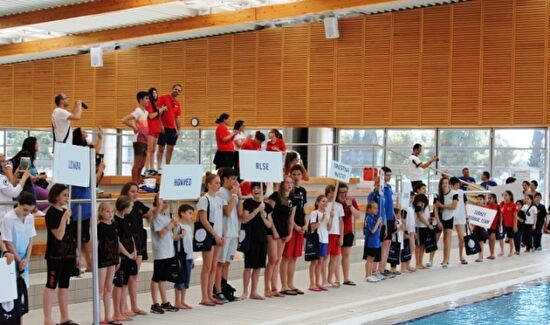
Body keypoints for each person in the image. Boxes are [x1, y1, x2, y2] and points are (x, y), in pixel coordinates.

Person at [120, 182, 157, 316]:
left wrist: (159, 204)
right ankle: (122, 306)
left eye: (137, 191)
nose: (135, 194)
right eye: (132, 191)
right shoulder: (123, 207)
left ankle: (134, 305)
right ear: (126, 193)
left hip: (139, 243)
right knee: (125, 277)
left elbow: (150, 215)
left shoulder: (139, 205)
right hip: (128, 245)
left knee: (134, 276)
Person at [43, 184, 78, 325]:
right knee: (51, 285)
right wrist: (64, 218)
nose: (67, 198)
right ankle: (48, 319)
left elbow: (71, 237)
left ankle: (65, 317)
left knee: (64, 286)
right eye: (64, 195)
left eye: (67, 195)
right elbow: (58, 235)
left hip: (68, 255)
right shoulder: (51, 213)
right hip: (55, 255)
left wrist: (75, 254)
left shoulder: (66, 212)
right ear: (56, 196)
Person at [72, 128, 106, 272]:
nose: (86, 132)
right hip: (79, 204)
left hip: (84, 205)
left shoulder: (86, 150)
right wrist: (98, 171)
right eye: (83, 131)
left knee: (83, 238)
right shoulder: (77, 154)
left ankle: (88, 264)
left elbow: (95, 150)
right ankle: (83, 264)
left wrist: (100, 138)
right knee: (79, 238)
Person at [197, 174, 226, 306]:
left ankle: (210, 294)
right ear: (208, 184)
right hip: (210, 235)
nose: (218, 185)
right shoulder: (204, 199)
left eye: (219, 183)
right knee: (207, 266)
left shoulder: (219, 200)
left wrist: (222, 234)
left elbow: (221, 219)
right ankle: (204, 296)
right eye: (216, 183)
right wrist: (215, 234)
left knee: (214, 266)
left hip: (218, 235)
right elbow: (203, 220)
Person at [265, 176, 295, 297]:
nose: (289, 184)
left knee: (277, 260)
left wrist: (290, 232)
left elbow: (290, 218)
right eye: (287, 182)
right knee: (273, 260)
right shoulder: (275, 196)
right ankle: (267, 288)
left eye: (291, 183)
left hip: (283, 231)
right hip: (273, 231)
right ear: (282, 184)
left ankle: (274, 287)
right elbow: (268, 214)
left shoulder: (291, 199)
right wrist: (274, 230)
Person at [215, 168, 241, 302]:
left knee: (227, 263)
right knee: (220, 263)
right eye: (232, 179)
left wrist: (239, 196)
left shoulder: (233, 193)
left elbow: (240, 213)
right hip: (224, 232)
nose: (235, 182)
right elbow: (227, 212)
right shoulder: (221, 193)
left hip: (233, 231)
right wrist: (233, 195)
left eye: (236, 179)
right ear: (225, 179)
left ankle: (225, 289)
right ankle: (217, 290)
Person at [240, 183, 270, 300]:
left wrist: (263, 217)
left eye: (258, 188)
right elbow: (245, 219)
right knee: (248, 266)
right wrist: (258, 210)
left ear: (263, 191)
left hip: (262, 238)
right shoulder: (248, 203)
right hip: (251, 238)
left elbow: (269, 225)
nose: (256, 190)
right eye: (254, 188)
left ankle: (254, 291)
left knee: (258, 266)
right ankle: (245, 291)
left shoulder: (266, 205)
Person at [281, 165, 307, 295]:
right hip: (291, 227)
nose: (296, 177)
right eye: (294, 174)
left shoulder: (303, 191)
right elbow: (288, 213)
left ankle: (290, 283)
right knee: (286, 256)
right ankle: (284, 284)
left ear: (302, 176)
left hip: (301, 228)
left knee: (294, 257)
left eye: (299, 174)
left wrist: (305, 225)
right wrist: (295, 226)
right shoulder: (289, 191)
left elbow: (304, 210)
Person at [149, 197, 179, 314]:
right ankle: (154, 303)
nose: (166, 204)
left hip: (169, 250)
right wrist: (170, 225)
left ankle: (164, 301)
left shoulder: (168, 215)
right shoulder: (155, 217)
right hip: (160, 251)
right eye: (163, 202)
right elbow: (161, 234)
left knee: (163, 278)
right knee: (156, 277)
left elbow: (173, 236)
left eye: (167, 202)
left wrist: (175, 226)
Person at [2, 192, 36, 288]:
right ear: (18, 204)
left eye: (30, 211)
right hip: (11, 258)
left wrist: (27, 258)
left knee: (23, 289)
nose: (27, 213)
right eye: (25, 210)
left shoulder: (30, 217)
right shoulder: (8, 218)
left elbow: (31, 238)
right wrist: (19, 260)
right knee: (11, 290)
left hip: (24, 259)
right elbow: (8, 242)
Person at [112, 196, 136, 323]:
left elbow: (130, 236)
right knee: (119, 284)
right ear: (125, 207)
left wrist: (135, 250)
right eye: (131, 206)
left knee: (125, 284)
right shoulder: (115, 220)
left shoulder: (126, 219)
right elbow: (117, 241)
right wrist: (127, 254)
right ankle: (116, 312)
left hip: (129, 255)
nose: (132, 209)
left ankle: (121, 311)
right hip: (121, 257)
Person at [96, 203, 119, 325]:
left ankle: (108, 315)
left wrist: (118, 258)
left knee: (109, 287)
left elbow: (116, 242)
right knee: (99, 288)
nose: (110, 214)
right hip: (102, 259)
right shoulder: (98, 226)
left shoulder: (114, 224)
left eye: (112, 211)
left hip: (112, 259)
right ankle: (98, 316)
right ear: (101, 212)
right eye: (107, 211)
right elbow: (95, 244)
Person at [121, 91, 150, 185]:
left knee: (142, 165)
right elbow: (124, 120)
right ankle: (134, 184)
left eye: (148, 98)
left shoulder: (146, 112)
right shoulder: (138, 111)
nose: (148, 100)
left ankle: (137, 183)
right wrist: (134, 128)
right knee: (137, 164)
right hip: (139, 139)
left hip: (145, 140)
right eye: (146, 98)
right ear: (140, 100)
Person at [9, 136, 48, 202]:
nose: (38, 145)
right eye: (36, 143)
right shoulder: (25, 156)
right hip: (25, 187)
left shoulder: (25, 155)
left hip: (25, 186)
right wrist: (39, 177)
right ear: (32, 145)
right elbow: (22, 174)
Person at [337, 183, 361, 286]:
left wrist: (350, 206)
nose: (343, 194)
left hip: (347, 231)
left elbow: (358, 216)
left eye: (345, 192)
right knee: (335, 256)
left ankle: (346, 278)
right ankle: (335, 279)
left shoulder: (351, 200)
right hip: (336, 232)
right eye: (341, 192)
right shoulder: (335, 202)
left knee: (346, 255)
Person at [173, 204, 195, 309]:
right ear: (182, 213)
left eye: (192, 213)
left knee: (186, 280)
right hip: (181, 257)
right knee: (179, 280)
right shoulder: (179, 226)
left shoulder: (189, 227)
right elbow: (174, 238)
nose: (191, 216)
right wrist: (181, 235)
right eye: (189, 213)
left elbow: (190, 244)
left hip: (189, 257)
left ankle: (183, 300)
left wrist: (193, 258)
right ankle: (177, 301)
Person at [433, 177, 458, 268]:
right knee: (435, 240)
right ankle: (430, 260)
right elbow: (435, 209)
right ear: (440, 184)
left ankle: (446, 260)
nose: (445, 184)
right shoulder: (437, 195)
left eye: (446, 183)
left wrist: (442, 206)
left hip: (449, 218)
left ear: (449, 184)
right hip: (440, 219)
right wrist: (438, 221)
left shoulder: (454, 193)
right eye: (443, 183)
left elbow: (453, 206)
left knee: (447, 241)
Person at [156, 84, 182, 168]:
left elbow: (177, 117)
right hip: (164, 127)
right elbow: (158, 111)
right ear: (172, 89)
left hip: (173, 129)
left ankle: (167, 167)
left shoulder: (177, 103)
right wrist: (160, 125)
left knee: (170, 149)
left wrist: (178, 130)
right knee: (161, 148)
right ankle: (159, 166)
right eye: (176, 89)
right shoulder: (163, 98)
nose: (177, 91)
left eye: (179, 90)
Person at [307, 195, 329, 291]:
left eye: (326, 201)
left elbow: (328, 227)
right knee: (314, 262)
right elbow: (312, 227)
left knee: (320, 262)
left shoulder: (327, 213)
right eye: (323, 201)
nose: (325, 203)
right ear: (317, 202)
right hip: (317, 239)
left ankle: (317, 282)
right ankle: (312, 283)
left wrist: (330, 218)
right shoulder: (314, 213)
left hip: (324, 239)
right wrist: (322, 219)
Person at [0, 153, 30, 219]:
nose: (6, 163)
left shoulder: (2, 177)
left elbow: (10, 187)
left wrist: (15, 176)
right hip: (3, 215)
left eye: (5, 160)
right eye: (2, 161)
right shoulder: (1, 178)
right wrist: (24, 178)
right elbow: (14, 193)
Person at [326, 185, 345, 287]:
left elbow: (341, 222)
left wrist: (341, 236)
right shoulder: (324, 204)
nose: (332, 194)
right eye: (330, 192)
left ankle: (330, 279)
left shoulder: (339, 206)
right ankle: (324, 279)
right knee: (324, 258)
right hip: (326, 234)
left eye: (334, 192)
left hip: (336, 234)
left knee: (334, 258)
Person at [144, 87, 164, 176]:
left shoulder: (156, 105)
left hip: (156, 129)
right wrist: (160, 110)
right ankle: (147, 168)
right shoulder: (148, 104)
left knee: (153, 150)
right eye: (153, 93)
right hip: (150, 128)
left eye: (156, 92)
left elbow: (158, 117)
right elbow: (151, 116)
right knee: (149, 149)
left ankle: (152, 168)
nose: (155, 94)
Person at [412, 183, 432, 270]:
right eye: (423, 188)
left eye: (425, 188)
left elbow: (424, 213)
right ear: (418, 190)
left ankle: (420, 262)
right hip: (419, 226)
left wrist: (429, 219)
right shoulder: (419, 200)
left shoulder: (423, 199)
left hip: (424, 225)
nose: (425, 190)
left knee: (422, 245)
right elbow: (419, 215)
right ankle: (417, 263)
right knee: (418, 246)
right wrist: (428, 224)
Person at [450, 177, 468, 264]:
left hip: (460, 217)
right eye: (456, 185)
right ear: (451, 185)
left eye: (458, 185)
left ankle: (461, 256)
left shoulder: (461, 192)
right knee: (447, 239)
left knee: (461, 238)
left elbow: (464, 204)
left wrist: (467, 217)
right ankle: (446, 258)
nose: (458, 186)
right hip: (449, 217)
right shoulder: (448, 192)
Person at [364, 202, 382, 283]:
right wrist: (378, 223)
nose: (376, 210)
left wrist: (379, 225)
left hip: (376, 242)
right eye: (374, 208)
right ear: (369, 209)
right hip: (371, 242)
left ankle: (370, 274)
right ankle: (367, 275)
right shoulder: (369, 218)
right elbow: (372, 231)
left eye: (377, 208)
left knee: (373, 259)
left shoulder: (374, 217)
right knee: (369, 259)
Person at [500, 191, 518, 257]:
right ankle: (502, 251)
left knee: (511, 238)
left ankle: (511, 251)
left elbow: (515, 216)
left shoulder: (513, 205)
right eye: (503, 195)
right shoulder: (504, 205)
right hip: (505, 224)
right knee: (504, 238)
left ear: (510, 196)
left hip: (511, 225)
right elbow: (502, 215)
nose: (504, 196)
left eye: (506, 195)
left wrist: (515, 226)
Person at [486, 193, 504, 259]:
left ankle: (493, 254)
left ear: (494, 199)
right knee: (489, 240)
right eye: (488, 198)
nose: (489, 199)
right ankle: (491, 254)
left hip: (495, 225)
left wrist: (500, 224)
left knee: (492, 238)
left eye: (490, 198)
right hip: (488, 225)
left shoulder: (497, 206)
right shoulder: (487, 205)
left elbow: (501, 215)